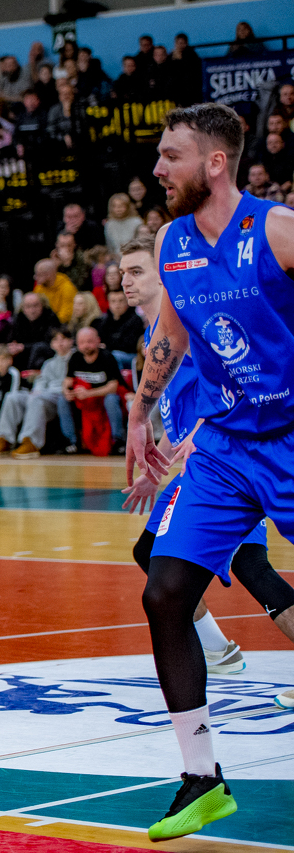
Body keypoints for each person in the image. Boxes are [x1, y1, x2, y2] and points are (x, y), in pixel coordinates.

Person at [125, 103, 294, 842]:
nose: (158, 168)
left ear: (215, 163)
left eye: (172, 156)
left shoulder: (277, 231)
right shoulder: (173, 242)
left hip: (291, 436)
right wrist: (140, 413)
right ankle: (202, 778)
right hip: (226, 445)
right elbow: (171, 332)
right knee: (164, 591)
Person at [117, 234, 281, 682]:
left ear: (163, 274)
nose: (126, 281)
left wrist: (202, 433)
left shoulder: (189, 323)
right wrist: (159, 463)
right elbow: (181, 410)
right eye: (122, 274)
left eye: (136, 271)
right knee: (152, 553)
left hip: (227, 460)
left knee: (252, 568)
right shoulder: (155, 334)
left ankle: (220, 652)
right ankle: (220, 651)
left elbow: (235, 386)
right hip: (203, 463)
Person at [0, 328, 76, 458]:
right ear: (52, 344)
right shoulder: (49, 363)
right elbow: (41, 382)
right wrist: (37, 391)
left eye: (64, 339)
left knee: (37, 399)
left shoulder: (76, 359)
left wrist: (39, 394)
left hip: (60, 397)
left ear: (71, 341)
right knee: (12, 397)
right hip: (45, 395)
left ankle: (31, 442)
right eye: (56, 340)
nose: (60, 343)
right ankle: (4, 439)